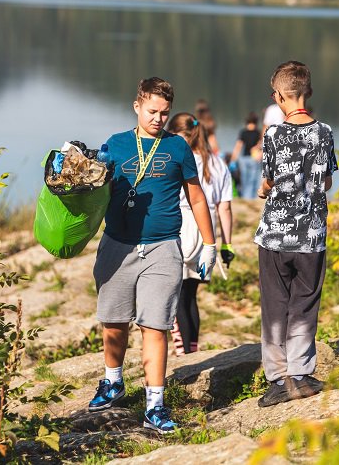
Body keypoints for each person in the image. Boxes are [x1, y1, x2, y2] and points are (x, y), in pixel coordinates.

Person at [88, 77, 217, 434]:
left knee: (155, 325)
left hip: (163, 248)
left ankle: (155, 405)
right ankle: (113, 383)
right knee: (114, 320)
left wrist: (210, 243)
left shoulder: (177, 148)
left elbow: (196, 197)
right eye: (152, 111)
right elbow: (91, 191)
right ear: (136, 106)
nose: (158, 118)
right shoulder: (115, 145)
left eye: (164, 112)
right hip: (117, 245)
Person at [254, 61, 338, 407]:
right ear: (309, 93)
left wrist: (266, 189)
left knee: (275, 304)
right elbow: (327, 180)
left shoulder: (272, 134)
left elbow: (269, 180)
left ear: (278, 97)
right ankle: (301, 374)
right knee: (305, 302)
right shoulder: (326, 132)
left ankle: (277, 379)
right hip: (311, 235)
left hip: (275, 234)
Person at [167, 113, 234, 356]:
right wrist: (226, 244)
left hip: (180, 226)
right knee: (191, 296)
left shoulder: (176, 159)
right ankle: (192, 349)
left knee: (175, 296)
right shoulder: (218, 164)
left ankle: (182, 352)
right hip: (206, 231)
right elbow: (224, 207)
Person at [230, 112, 263, 199]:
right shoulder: (257, 132)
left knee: (244, 180)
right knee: (253, 179)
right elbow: (260, 145)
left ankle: (245, 196)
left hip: (243, 159)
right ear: (256, 121)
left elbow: (238, 146)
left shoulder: (243, 132)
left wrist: (233, 159)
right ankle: (253, 197)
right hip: (254, 159)